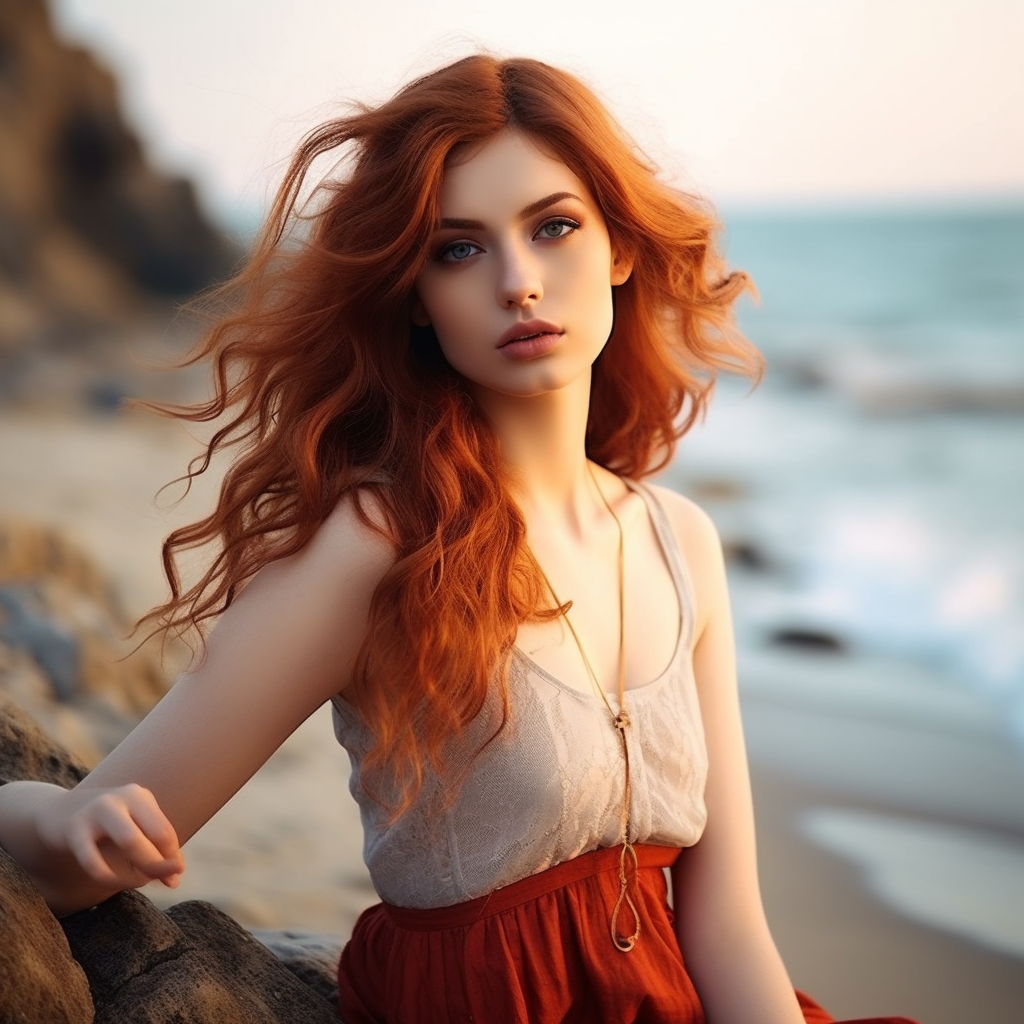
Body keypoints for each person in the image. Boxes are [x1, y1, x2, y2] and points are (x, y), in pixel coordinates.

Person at [0, 55, 921, 1024]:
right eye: (458, 249)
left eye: (553, 227)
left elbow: (726, 918)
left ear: (617, 245)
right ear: (413, 295)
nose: (520, 282)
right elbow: (68, 840)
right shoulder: (377, 541)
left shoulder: (676, 539)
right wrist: (67, 824)